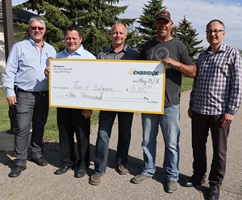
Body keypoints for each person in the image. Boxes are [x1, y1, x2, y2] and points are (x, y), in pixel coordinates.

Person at [130, 11, 196, 193]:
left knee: (172, 143)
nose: (162, 25)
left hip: (170, 104)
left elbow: (192, 71)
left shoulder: (179, 46)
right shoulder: (147, 47)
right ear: (156, 24)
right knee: (147, 141)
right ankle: (148, 169)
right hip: (148, 103)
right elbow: (134, 72)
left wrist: (176, 64)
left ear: (171, 24)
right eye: (159, 22)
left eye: (165, 22)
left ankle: (171, 175)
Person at [184, 19, 242, 200]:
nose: (213, 34)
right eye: (210, 31)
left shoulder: (233, 54)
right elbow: (196, 82)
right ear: (206, 34)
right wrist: (192, 103)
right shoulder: (203, 55)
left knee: (219, 151)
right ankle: (198, 175)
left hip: (220, 113)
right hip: (200, 110)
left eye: (217, 31)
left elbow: (237, 85)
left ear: (223, 33)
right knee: (198, 146)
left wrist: (231, 110)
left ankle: (215, 183)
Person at [3, 16, 56, 178]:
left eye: (40, 28)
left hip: (44, 95)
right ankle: (19, 161)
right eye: (34, 28)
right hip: (24, 95)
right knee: (22, 128)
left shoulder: (51, 50)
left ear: (45, 30)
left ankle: (37, 154)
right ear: (29, 29)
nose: (37, 30)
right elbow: (9, 71)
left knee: (39, 126)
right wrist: (10, 92)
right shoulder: (20, 47)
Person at [89, 23, 139, 186]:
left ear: (126, 35)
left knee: (125, 133)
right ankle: (99, 169)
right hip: (107, 101)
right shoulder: (102, 55)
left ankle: (121, 162)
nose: (118, 35)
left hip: (126, 101)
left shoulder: (134, 54)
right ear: (110, 35)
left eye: (121, 33)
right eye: (115, 32)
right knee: (103, 135)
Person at [46, 26, 96, 178]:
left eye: (74, 38)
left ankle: (82, 164)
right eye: (68, 38)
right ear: (64, 39)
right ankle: (67, 162)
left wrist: (89, 107)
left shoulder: (90, 58)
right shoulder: (57, 57)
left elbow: (94, 84)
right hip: (63, 103)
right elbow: (55, 82)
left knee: (82, 136)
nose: (71, 41)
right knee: (65, 134)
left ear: (81, 39)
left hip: (82, 105)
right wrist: (49, 74)